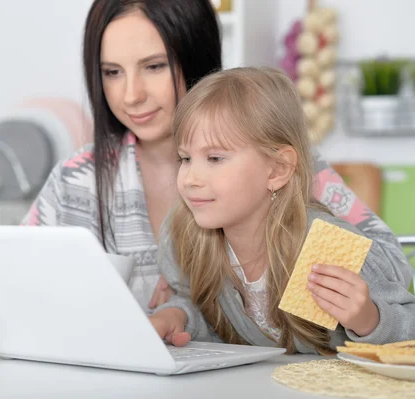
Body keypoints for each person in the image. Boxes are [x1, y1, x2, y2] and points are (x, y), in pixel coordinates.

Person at [21, 0, 409, 316]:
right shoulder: (74, 182)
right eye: (112, 72)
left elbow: (391, 265)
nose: (131, 94)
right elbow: (10, 280)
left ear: (197, 57)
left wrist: (271, 275)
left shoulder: (274, 161)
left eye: (154, 66)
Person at [148, 67, 415, 354]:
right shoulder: (185, 238)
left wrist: (369, 320)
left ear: (278, 169)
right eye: (185, 158)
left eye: (215, 158)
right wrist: (179, 315)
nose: (190, 179)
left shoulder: (327, 246)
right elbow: (210, 314)